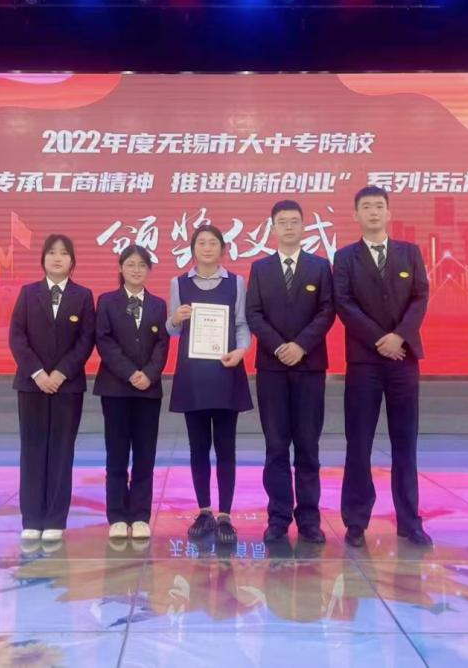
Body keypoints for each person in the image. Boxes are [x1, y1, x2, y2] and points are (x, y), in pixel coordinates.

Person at [333, 186, 432, 549]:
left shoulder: (410, 252)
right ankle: (356, 522)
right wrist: (380, 339)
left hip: (403, 360)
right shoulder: (345, 257)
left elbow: (420, 296)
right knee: (359, 442)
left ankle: (409, 522)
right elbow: (344, 304)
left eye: (379, 206)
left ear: (389, 213)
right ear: (356, 215)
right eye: (366, 207)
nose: (373, 212)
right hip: (364, 362)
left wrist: (399, 337)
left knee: (405, 442)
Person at [245, 200, 335, 544]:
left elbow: (327, 311)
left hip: (310, 367)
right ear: (273, 228)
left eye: (294, 221)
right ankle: (279, 518)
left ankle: (309, 520)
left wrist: (300, 346)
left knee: (308, 446)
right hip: (272, 368)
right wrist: (280, 346)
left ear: (303, 226)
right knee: (276, 446)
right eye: (282, 222)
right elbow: (253, 313)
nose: (288, 227)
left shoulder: (319, 267)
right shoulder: (260, 268)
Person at [167, 226, 253, 546]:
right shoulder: (178, 283)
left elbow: (242, 324)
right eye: (201, 243)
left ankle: (225, 515)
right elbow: (172, 330)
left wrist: (241, 351)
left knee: (226, 447)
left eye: (213, 243)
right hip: (193, 376)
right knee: (198, 447)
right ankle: (204, 511)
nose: (206, 248)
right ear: (192, 249)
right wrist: (175, 318)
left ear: (223, 249)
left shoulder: (236, 282)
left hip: (226, 372)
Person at [8, 234, 95, 545]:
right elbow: (17, 337)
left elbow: (85, 340)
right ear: (43, 259)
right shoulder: (28, 293)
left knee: (61, 451)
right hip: (31, 385)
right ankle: (32, 519)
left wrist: (60, 373)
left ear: (72, 261)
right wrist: (38, 373)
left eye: (64, 253)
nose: (57, 258)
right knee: (32, 450)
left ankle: (55, 519)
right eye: (52, 252)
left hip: (67, 386)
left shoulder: (83, 296)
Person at [94, 245, 169, 541]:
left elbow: (162, 344)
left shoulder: (158, 305)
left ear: (149, 270)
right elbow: (104, 341)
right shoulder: (107, 302)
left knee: (144, 455)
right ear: (121, 268)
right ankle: (116, 515)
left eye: (142, 265)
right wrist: (129, 373)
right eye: (130, 264)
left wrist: (148, 374)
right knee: (116, 453)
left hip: (148, 390)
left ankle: (139, 515)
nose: (136, 270)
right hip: (115, 389)